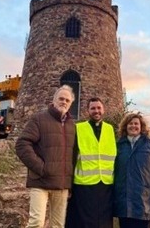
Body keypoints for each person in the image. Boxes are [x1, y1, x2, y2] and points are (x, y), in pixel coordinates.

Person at [15, 85, 76, 228]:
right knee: (36, 222)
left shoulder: (72, 126)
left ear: (71, 104)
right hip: (40, 181)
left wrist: (70, 182)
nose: (64, 102)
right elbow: (22, 144)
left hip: (61, 184)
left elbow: (72, 154)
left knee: (58, 225)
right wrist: (41, 168)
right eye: (61, 98)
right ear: (54, 100)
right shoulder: (39, 119)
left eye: (67, 100)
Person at [65, 97, 116, 228]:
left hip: (105, 184)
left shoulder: (110, 129)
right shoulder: (79, 128)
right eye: (93, 108)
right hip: (84, 184)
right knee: (83, 222)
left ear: (103, 109)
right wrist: (68, 184)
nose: (96, 111)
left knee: (103, 222)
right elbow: (72, 156)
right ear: (88, 110)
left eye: (99, 108)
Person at [113, 113, 150, 228]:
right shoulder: (118, 145)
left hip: (144, 201)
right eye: (130, 123)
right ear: (125, 126)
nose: (133, 126)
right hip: (123, 201)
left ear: (141, 127)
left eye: (136, 123)